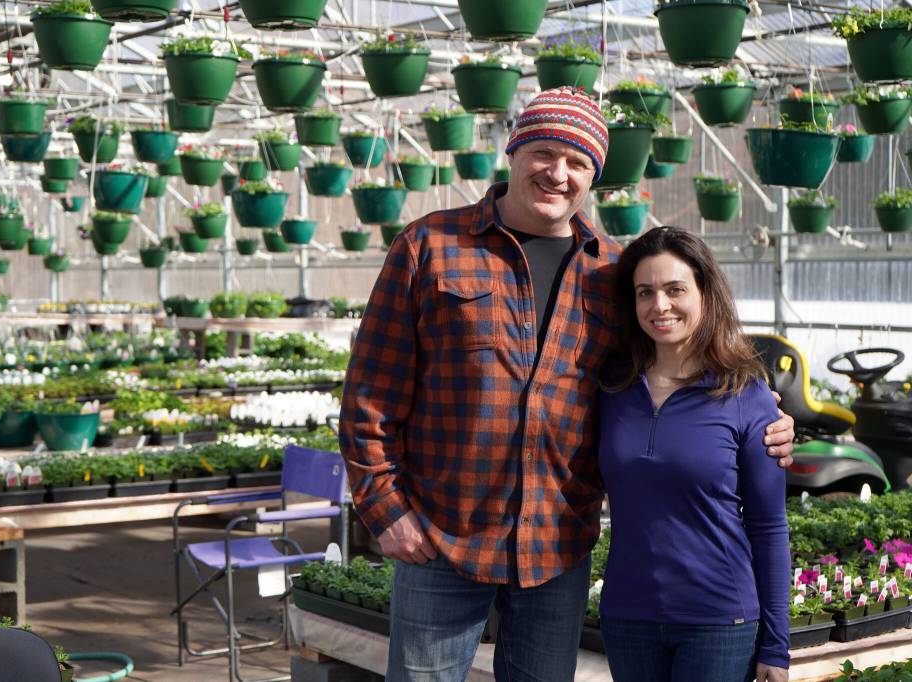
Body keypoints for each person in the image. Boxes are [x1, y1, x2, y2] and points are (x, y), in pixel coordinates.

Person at [339, 87, 795, 681]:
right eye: (544, 153)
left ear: (593, 178)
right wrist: (385, 509)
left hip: (555, 550)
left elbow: (665, 367)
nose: (558, 173)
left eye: (578, 162)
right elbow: (370, 393)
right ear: (513, 152)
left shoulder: (610, 271)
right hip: (443, 539)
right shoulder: (431, 247)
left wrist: (760, 415)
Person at [598, 226, 789, 682]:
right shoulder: (611, 388)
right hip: (627, 617)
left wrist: (776, 646)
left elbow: (768, 527)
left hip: (718, 622)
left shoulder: (745, 394)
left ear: (705, 294)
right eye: (645, 292)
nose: (660, 305)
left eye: (675, 289)